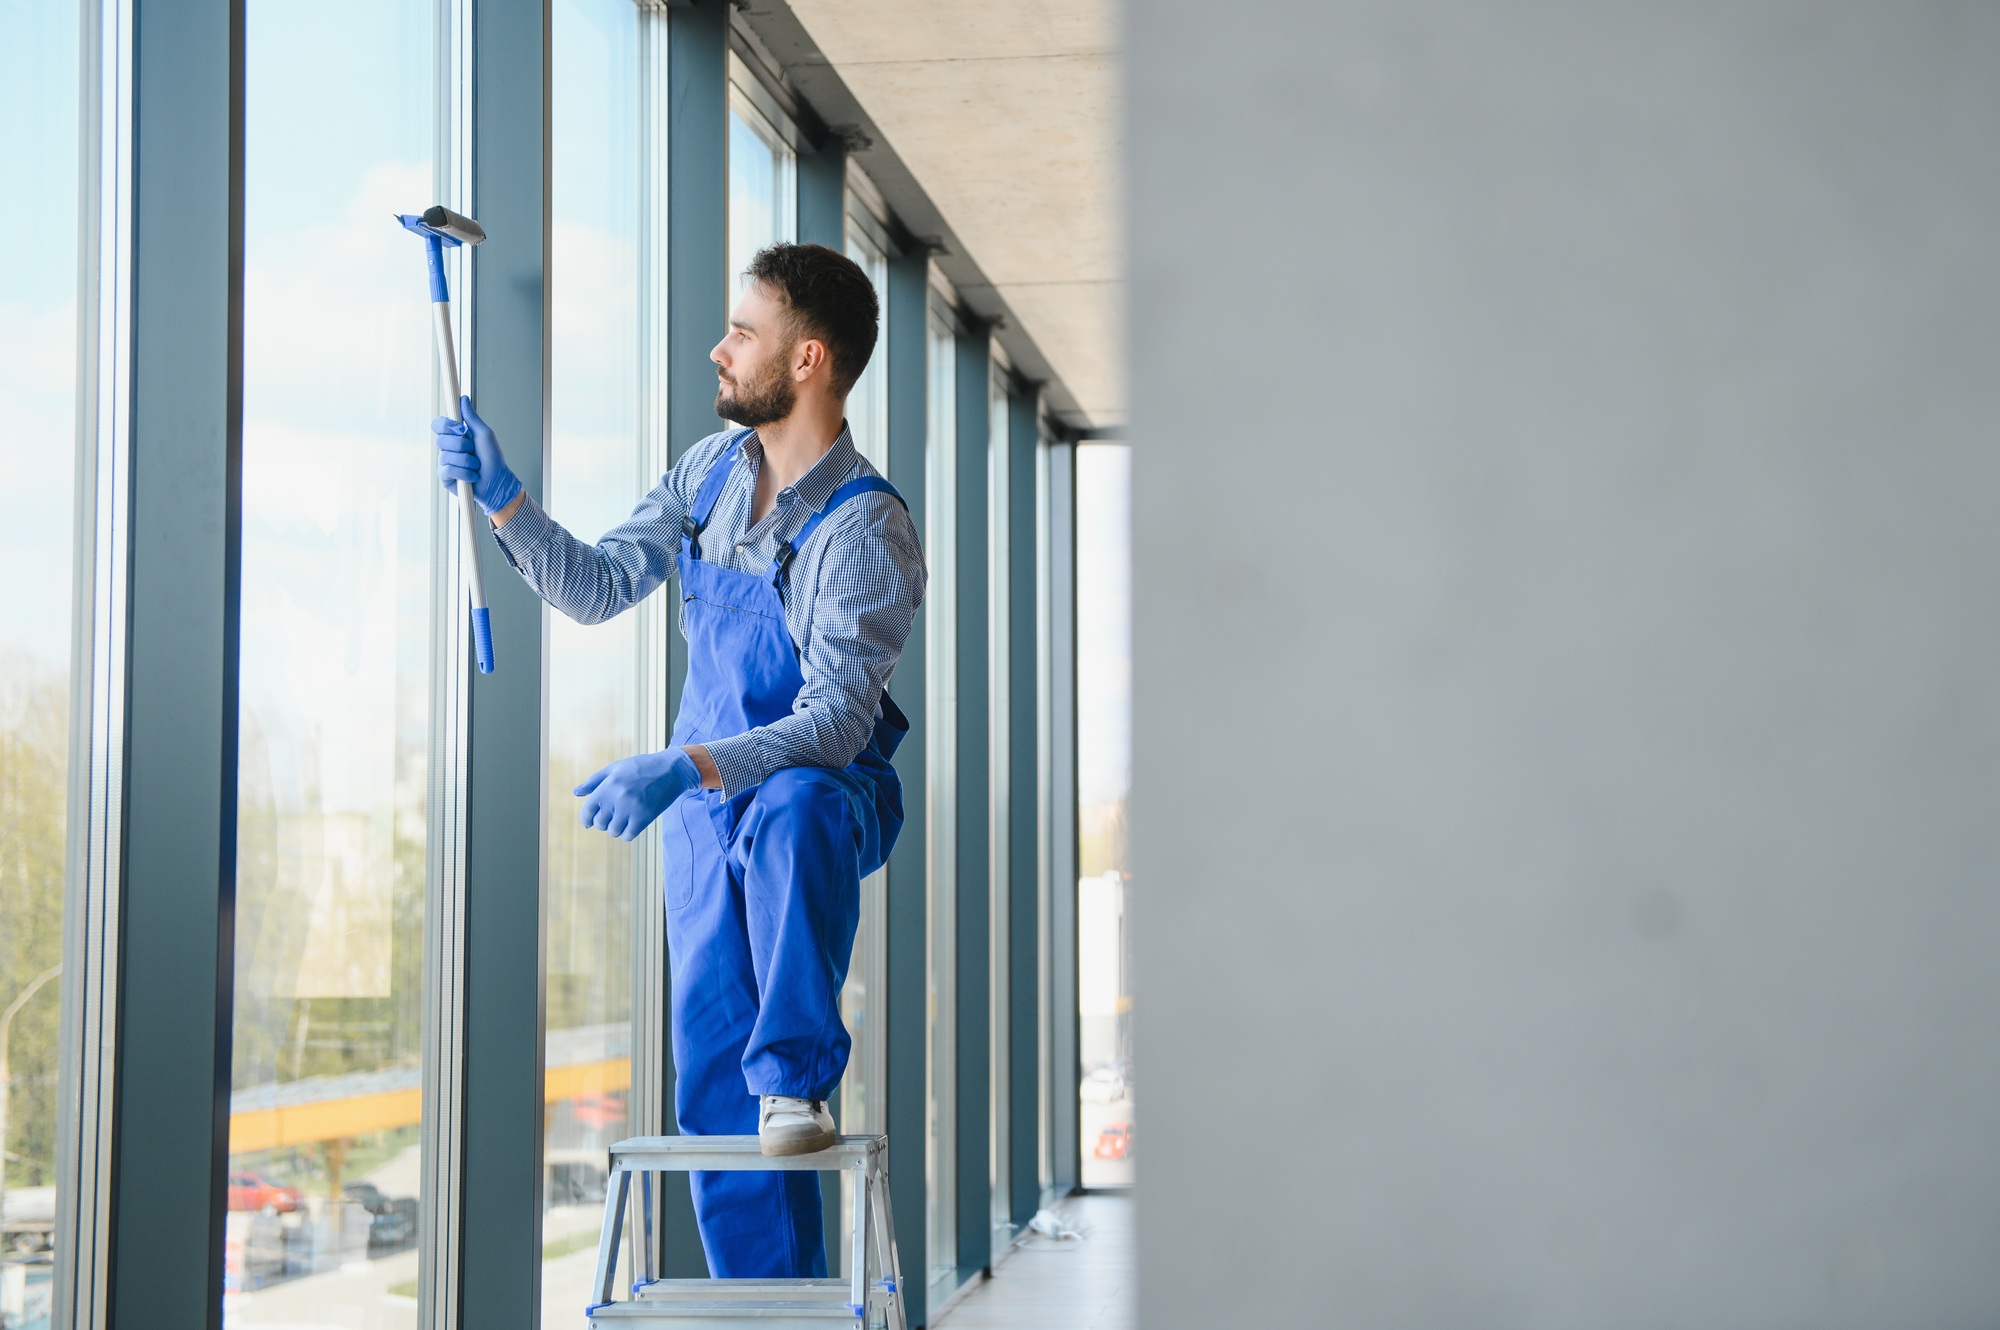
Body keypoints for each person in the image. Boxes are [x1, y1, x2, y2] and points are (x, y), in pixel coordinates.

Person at [432, 242, 925, 1279]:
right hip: (705, 814)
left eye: (742, 331)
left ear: (805, 360)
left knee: (792, 804)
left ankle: (795, 1073)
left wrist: (682, 763)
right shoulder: (707, 474)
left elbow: (834, 723)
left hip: (820, 801)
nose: (719, 346)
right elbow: (601, 585)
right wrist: (505, 496)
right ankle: (766, 1304)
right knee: (709, 1080)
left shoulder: (863, 526)